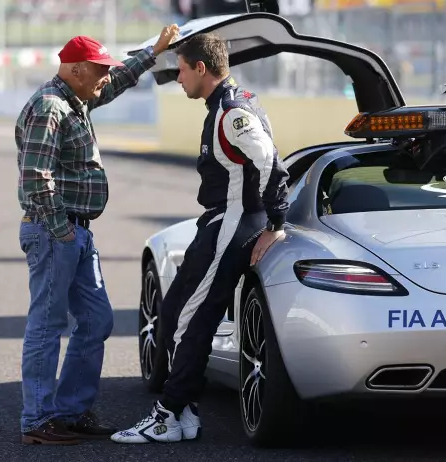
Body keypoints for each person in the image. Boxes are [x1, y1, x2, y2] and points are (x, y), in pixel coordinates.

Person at [111, 32, 290, 444]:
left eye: (182, 70)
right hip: (219, 223)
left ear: (202, 69)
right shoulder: (226, 104)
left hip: (233, 223)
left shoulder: (232, 112)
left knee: (190, 320)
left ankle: (168, 415)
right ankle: (185, 411)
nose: (177, 79)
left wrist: (274, 223)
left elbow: (270, 163)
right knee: (174, 312)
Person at [17, 25, 181, 445]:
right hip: (57, 230)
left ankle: (70, 412)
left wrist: (153, 51)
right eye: (99, 69)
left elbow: (121, 78)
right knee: (47, 325)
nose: (106, 76)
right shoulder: (51, 107)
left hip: (75, 231)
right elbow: (36, 178)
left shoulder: (77, 99)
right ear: (75, 70)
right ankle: (37, 421)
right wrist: (62, 233)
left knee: (96, 320)